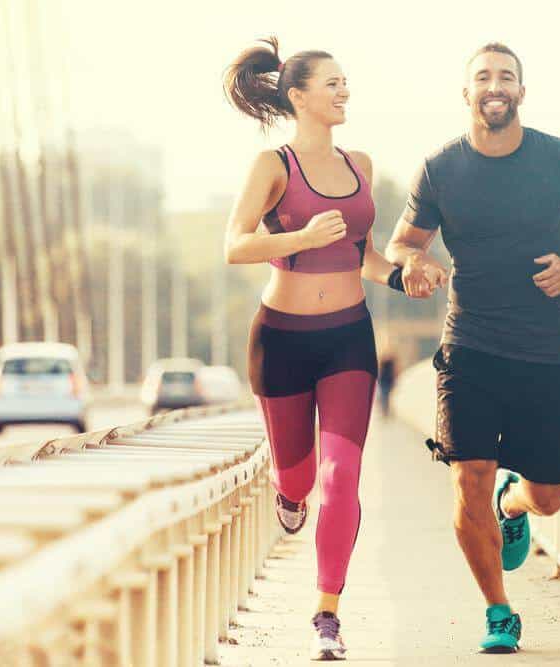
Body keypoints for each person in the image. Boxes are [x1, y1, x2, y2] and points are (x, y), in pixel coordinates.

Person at [385, 42, 560, 654]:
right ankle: (498, 610)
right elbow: (401, 243)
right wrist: (416, 262)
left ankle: (513, 505)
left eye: (507, 77)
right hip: (468, 346)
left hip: (545, 348)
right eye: (484, 77)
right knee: (468, 475)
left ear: (522, 91)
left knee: (549, 496)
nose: (495, 86)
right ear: (466, 93)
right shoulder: (442, 168)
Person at [223, 36, 407, 660]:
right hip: (281, 340)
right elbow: (235, 245)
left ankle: (327, 612)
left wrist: (405, 276)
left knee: (342, 475)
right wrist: (298, 235)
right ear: (298, 96)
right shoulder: (272, 167)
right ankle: (287, 494)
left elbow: (365, 255)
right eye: (332, 83)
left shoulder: (362, 165)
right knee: (300, 479)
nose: (344, 91)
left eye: (345, 81)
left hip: (348, 340)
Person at [376, 352, 396, 416]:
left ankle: (385, 410)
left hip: (386, 382)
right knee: (385, 396)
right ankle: (385, 410)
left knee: (384, 396)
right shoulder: (388, 363)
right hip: (386, 382)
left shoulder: (387, 363)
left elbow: (380, 372)